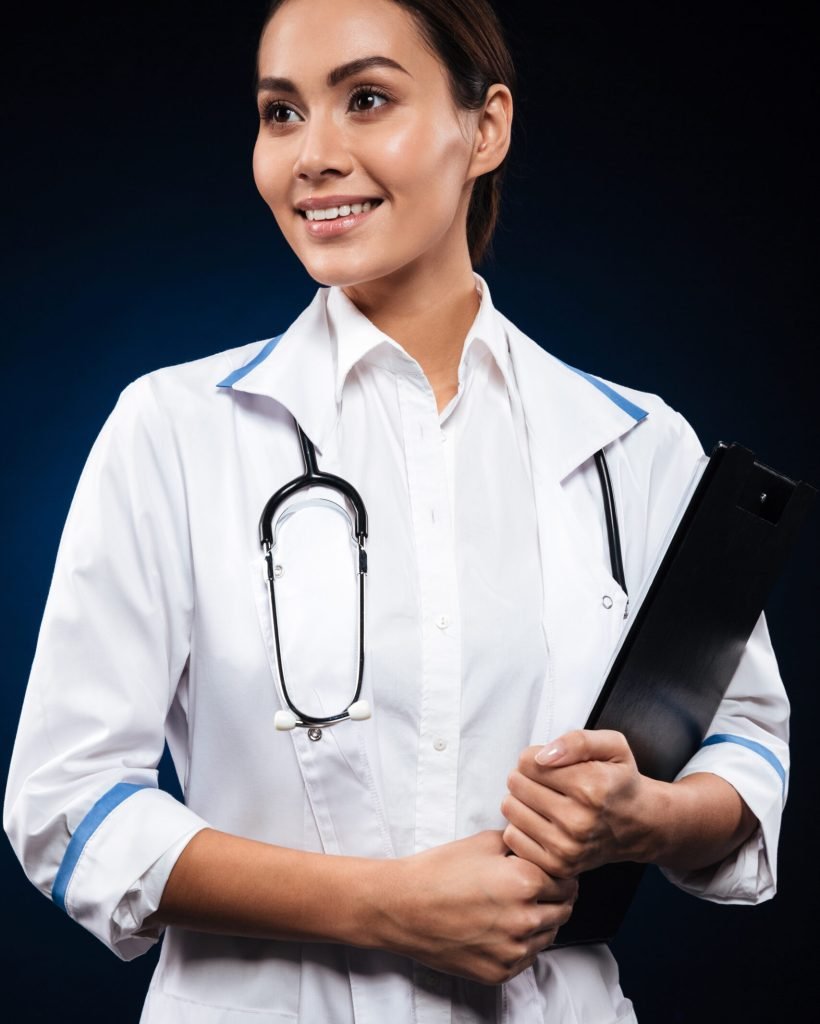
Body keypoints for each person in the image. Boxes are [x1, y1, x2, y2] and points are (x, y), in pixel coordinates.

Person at [4, 0, 789, 1021]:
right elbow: (67, 808)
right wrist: (384, 906)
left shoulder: (634, 446)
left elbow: (744, 742)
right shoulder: (172, 431)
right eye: (280, 113)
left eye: (365, 99)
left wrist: (649, 813)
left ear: (486, 127)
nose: (313, 155)